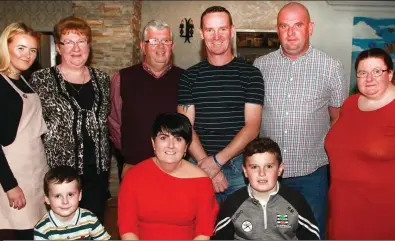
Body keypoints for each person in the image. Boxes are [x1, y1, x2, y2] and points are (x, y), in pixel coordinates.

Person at [252, 2, 348, 238]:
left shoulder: (330, 67)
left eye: (298, 25)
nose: (291, 32)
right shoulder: (260, 66)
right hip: (270, 177)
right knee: (273, 233)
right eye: (284, 26)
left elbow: (339, 119)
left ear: (310, 28)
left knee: (311, 234)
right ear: (277, 30)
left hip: (312, 176)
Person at [325, 47, 395, 239]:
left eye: (377, 71)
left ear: (390, 74)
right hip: (343, 208)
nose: (369, 78)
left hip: (386, 213)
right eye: (362, 72)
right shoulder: (350, 104)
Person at [178, 6, 264, 205]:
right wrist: (207, 166)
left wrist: (216, 162)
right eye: (210, 30)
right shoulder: (189, 77)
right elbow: (185, 127)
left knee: (242, 233)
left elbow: (252, 127)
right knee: (201, 232)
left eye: (222, 29)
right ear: (201, 33)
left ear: (232, 31)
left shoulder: (251, 74)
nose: (216, 36)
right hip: (198, 168)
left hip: (240, 171)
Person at [29, 16, 111, 223]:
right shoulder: (41, 80)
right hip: (60, 177)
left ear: (89, 45)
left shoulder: (102, 80)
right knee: (63, 230)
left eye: (81, 41)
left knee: (93, 225)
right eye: (69, 42)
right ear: (59, 47)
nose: (76, 48)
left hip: (97, 173)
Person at [0, 22, 49, 240]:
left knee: (40, 231)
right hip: (14, 170)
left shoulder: (24, 79)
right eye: (21, 48)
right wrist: (10, 185)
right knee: (24, 233)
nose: (27, 55)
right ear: (5, 47)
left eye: (32, 50)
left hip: (36, 168)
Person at [118, 113, 219, 240]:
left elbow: (204, 232)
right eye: (163, 138)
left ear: (186, 147)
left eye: (178, 139)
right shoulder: (133, 176)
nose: (171, 145)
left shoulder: (202, 181)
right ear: (153, 142)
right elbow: (127, 228)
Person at [108, 20, 184, 181]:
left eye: (165, 41)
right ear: (143, 46)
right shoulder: (122, 78)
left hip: (176, 168)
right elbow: (114, 122)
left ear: (173, 46)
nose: (161, 46)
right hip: (134, 166)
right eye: (154, 41)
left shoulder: (185, 79)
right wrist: (128, 153)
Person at [212, 137, 320, 240]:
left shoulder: (295, 201)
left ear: (280, 169)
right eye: (254, 167)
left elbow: (312, 237)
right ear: (245, 171)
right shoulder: (233, 203)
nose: (262, 173)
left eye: (268, 166)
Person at [34, 166, 111, 240]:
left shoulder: (89, 219)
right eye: (57, 196)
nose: (65, 201)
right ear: (47, 199)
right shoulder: (42, 229)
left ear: (80, 195)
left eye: (70, 194)